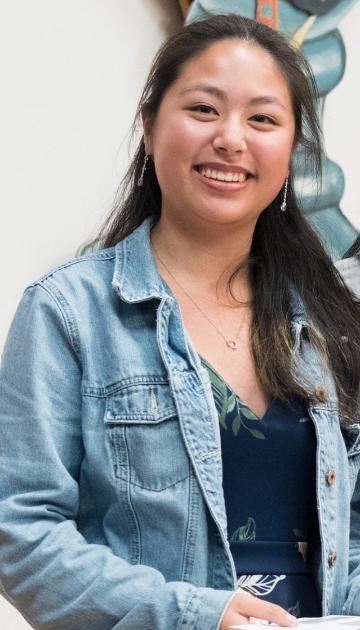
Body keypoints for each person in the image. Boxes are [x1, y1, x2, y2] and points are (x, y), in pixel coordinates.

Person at [0, 14, 359, 630]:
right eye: (203, 109)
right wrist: (195, 614)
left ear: (293, 149)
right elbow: (19, 530)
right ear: (149, 127)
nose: (231, 138)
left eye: (263, 119)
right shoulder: (68, 311)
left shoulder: (332, 320)